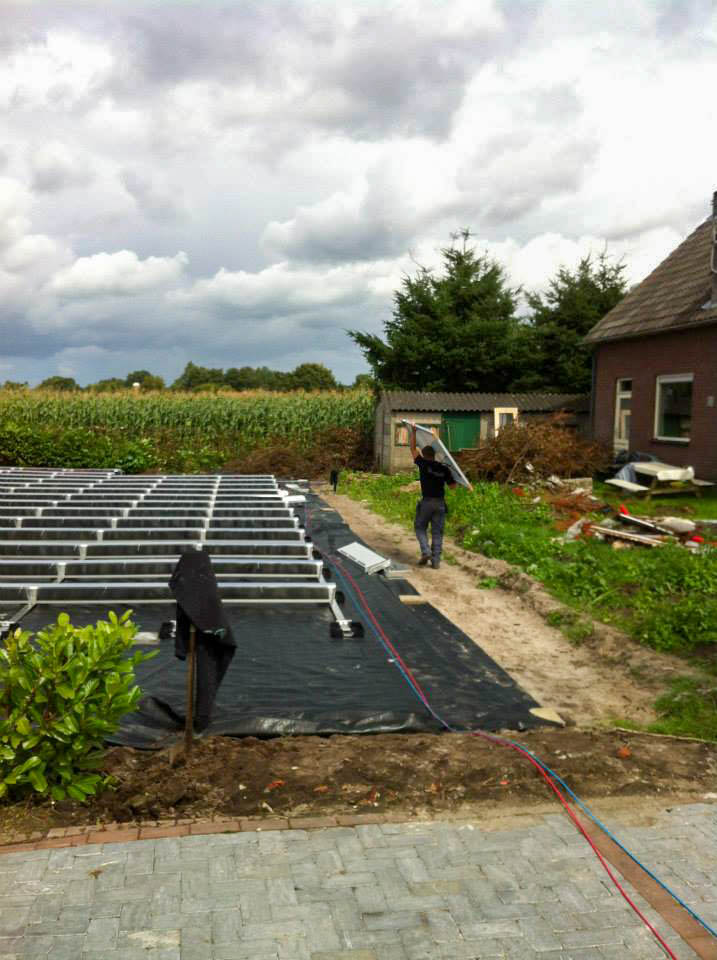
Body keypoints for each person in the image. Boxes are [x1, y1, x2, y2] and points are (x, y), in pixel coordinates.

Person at [409, 423, 456, 569]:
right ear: (435, 455)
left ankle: (426, 551)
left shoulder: (423, 464)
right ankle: (435, 561)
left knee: (419, 527)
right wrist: (453, 473)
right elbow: (453, 487)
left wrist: (414, 432)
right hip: (440, 504)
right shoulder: (444, 468)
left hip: (427, 502)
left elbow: (412, 449)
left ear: (424, 455)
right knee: (437, 532)